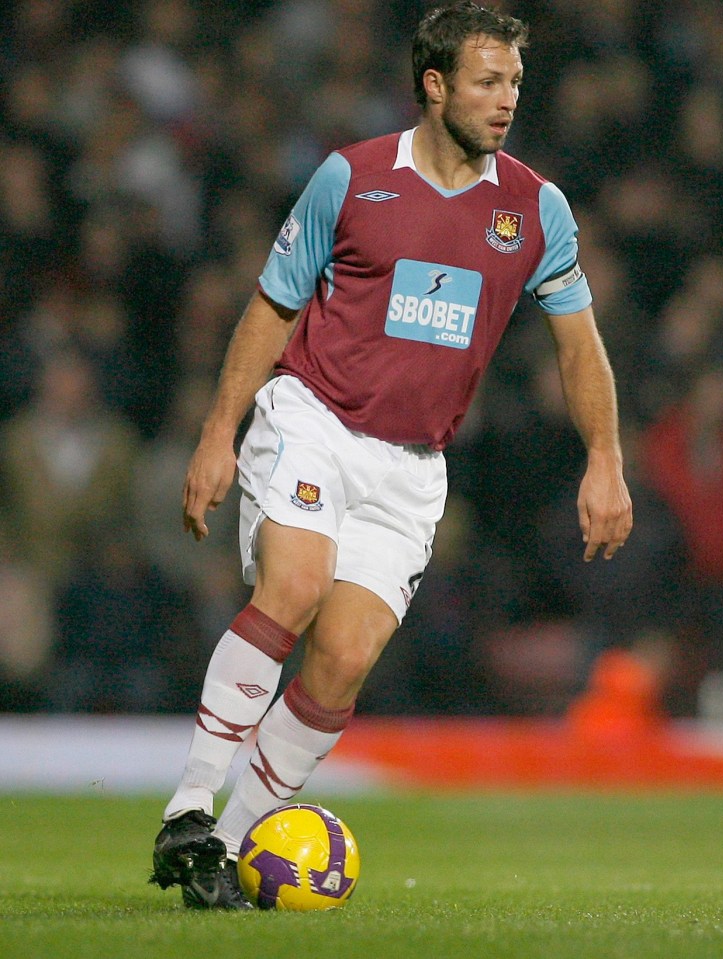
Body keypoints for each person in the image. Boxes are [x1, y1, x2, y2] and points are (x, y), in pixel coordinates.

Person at [150, 1, 632, 910]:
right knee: (291, 587)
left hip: (413, 466)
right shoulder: (351, 179)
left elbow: (579, 342)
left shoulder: (536, 208)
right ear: (435, 84)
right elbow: (272, 305)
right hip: (314, 420)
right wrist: (219, 434)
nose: (506, 101)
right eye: (488, 82)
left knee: (344, 658)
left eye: (516, 84)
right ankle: (186, 804)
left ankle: (221, 845)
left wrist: (604, 458)